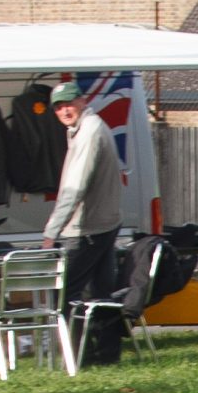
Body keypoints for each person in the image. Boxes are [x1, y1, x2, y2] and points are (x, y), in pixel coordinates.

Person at [40, 81, 123, 311]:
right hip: (103, 225)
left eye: (69, 104)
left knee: (66, 296)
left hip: (87, 230)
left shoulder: (88, 132)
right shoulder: (88, 127)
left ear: (82, 101)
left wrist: (50, 233)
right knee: (102, 297)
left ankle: (74, 348)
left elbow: (74, 189)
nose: (64, 111)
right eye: (58, 107)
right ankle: (103, 347)